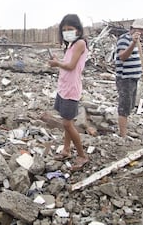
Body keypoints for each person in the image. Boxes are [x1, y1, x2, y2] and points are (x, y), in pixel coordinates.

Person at [48, 14, 89, 171]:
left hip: (71, 90)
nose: (67, 32)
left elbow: (71, 66)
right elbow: (68, 63)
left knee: (67, 123)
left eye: (70, 29)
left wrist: (57, 63)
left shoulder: (79, 43)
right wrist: (59, 60)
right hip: (64, 88)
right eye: (64, 30)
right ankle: (66, 150)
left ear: (78, 30)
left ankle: (82, 155)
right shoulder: (71, 45)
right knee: (67, 121)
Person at [115, 18, 143, 138]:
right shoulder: (124, 39)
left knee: (129, 106)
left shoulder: (136, 40)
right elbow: (122, 56)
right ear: (134, 28)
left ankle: (124, 131)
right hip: (125, 79)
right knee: (124, 107)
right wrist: (133, 43)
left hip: (133, 78)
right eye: (141, 30)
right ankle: (123, 135)